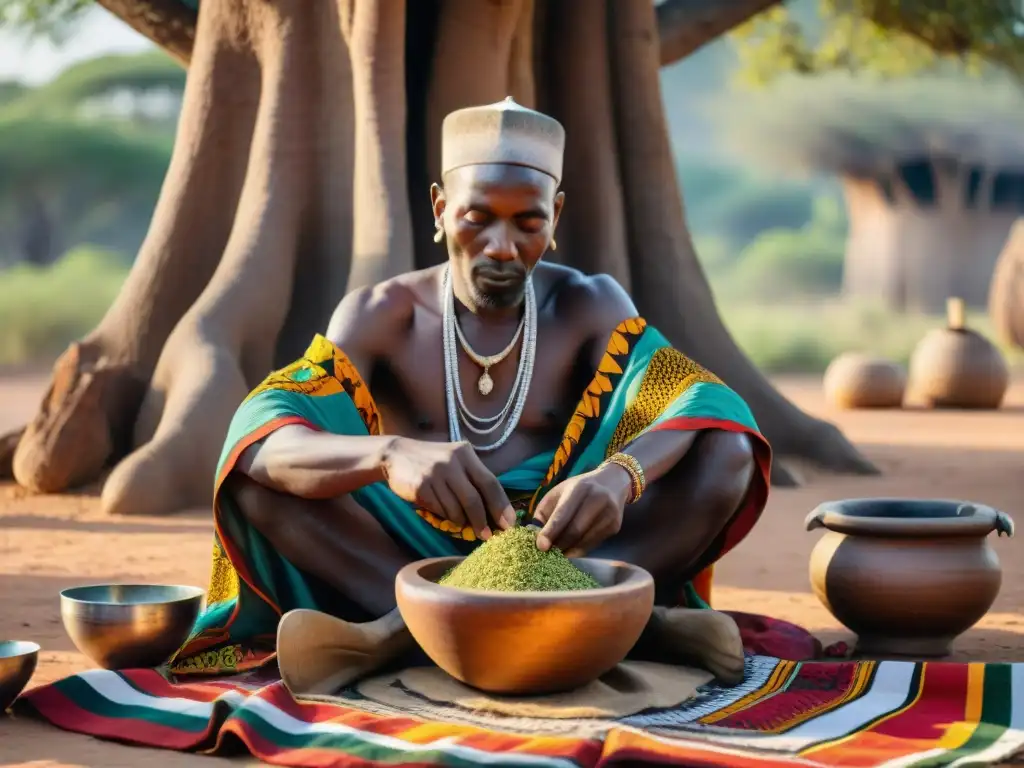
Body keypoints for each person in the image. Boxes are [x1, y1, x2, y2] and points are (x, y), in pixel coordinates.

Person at [170, 98, 771, 683]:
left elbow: (701, 401)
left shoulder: (591, 304)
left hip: (563, 550)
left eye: (528, 222)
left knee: (729, 454)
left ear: (556, 216)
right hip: (408, 560)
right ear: (439, 208)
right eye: (477, 218)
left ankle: (400, 638)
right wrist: (388, 455)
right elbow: (264, 430)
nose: (502, 247)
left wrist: (621, 475)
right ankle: (616, 626)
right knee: (255, 482)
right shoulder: (381, 314)